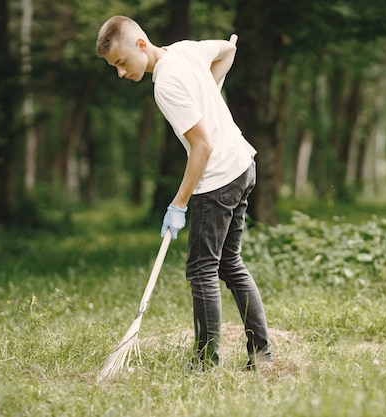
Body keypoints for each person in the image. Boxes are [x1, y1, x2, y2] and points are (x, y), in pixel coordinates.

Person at [96, 15, 272, 370]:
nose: (120, 72)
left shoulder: (165, 85)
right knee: (230, 263)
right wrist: (208, 90)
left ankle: (206, 363)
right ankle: (262, 354)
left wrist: (179, 203)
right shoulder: (185, 51)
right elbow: (228, 48)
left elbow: (202, 148)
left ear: (140, 45)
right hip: (242, 164)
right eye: (114, 66)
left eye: (121, 62)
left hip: (219, 178)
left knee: (202, 270)